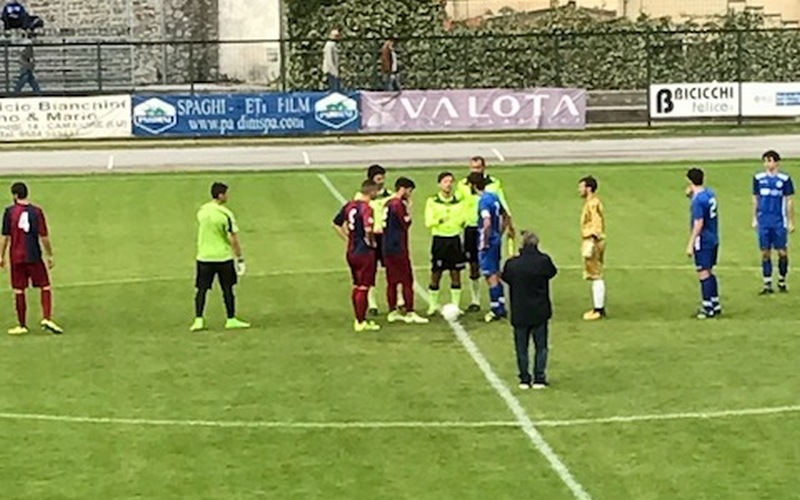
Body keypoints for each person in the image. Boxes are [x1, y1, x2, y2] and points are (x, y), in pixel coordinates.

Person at [0, 182, 62, 335]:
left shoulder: (9, 212)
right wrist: (49, 255)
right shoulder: (37, 212)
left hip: (16, 257)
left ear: (15, 195)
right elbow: (44, 236)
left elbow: (5, 237)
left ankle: (22, 325)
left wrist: (1, 256)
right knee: (45, 286)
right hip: (33, 254)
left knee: (19, 290)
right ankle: (46, 317)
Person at [501, 231, 557, 390]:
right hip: (540, 311)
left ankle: (524, 378)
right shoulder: (543, 261)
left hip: (520, 311)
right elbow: (552, 273)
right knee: (541, 346)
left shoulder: (512, 264)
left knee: (521, 348)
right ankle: (539, 378)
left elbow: (505, 277)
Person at [458, 156, 514, 313]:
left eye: (478, 168)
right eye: (473, 168)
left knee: (490, 272)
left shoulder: (490, 191)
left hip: (485, 234)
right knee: (482, 267)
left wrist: (486, 238)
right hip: (474, 229)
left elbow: (489, 220)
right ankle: (495, 303)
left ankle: (496, 308)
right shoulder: (467, 187)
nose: (475, 170)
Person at [191, 182, 250, 332]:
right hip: (222, 257)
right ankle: (231, 319)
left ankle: (198, 319)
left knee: (202, 290)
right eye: (226, 194)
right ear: (220, 195)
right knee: (227, 289)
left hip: (204, 257)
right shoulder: (225, 214)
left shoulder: (202, 211)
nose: (228, 196)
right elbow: (233, 238)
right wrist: (240, 258)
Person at [334, 179, 380, 332]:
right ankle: (360, 322)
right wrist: (372, 243)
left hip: (351, 250)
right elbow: (368, 228)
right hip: (364, 252)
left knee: (357, 285)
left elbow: (336, 223)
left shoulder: (349, 206)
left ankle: (359, 318)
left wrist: (348, 238)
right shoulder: (366, 208)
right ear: (371, 191)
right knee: (364, 286)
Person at [383, 177, 428, 324]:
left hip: (387, 246)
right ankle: (410, 311)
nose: (410, 194)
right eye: (409, 191)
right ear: (403, 188)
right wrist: (409, 208)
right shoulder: (397, 204)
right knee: (407, 280)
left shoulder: (387, 203)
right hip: (398, 247)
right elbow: (406, 223)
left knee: (391, 281)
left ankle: (392, 311)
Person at [468, 171, 509, 322]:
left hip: (489, 242)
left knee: (489, 275)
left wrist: (485, 240)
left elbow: (486, 222)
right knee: (496, 273)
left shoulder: (483, 201)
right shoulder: (494, 196)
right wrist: (500, 233)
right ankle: (501, 305)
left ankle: (495, 309)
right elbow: (505, 215)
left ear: (473, 185)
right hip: (496, 239)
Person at [425, 172, 466, 316]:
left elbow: (462, 220)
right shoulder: (432, 201)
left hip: (454, 239)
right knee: (436, 273)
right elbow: (428, 221)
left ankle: (456, 306)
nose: (448, 184)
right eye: (445, 182)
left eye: (450, 182)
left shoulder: (459, 201)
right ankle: (432, 305)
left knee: (456, 273)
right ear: (439, 184)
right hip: (440, 240)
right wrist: (440, 220)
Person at [753, 150, 794, 294]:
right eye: (765, 161)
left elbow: (789, 201)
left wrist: (790, 221)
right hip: (764, 221)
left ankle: (782, 280)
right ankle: (767, 283)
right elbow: (755, 198)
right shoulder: (758, 179)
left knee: (782, 252)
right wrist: (754, 217)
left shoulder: (784, 179)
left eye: (770, 160)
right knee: (765, 252)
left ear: (777, 162)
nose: (767, 164)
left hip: (778, 221)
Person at [685, 168, 721, 319]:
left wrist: (691, 243)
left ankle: (707, 308)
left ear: (689, 181)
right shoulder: (709, 194)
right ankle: (715, 302)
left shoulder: (698, 201)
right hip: (713, 237)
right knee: (710, 270)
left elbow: (699, 222)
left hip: (703, 240)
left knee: (703, 272)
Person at [359, 164, 394, 316]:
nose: (382, 181)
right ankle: (372, 303)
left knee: (391, 268)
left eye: (383, 178)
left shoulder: (390, 195)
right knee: (370, 270)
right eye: (379, 179)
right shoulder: (361, 197)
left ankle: (396, 300)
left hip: (386, 236)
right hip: (371, 236)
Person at [578, 176, 606, 320]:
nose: (579, 190)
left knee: (595, 274)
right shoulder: (592, 203)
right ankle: (598, 308)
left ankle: (598, 309)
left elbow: (596, 222)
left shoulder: (592, 204)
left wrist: (592, 239)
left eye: (581, 187)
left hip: (592, 240)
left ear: (588, 188)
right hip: (593, 239)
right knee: (595, 273)